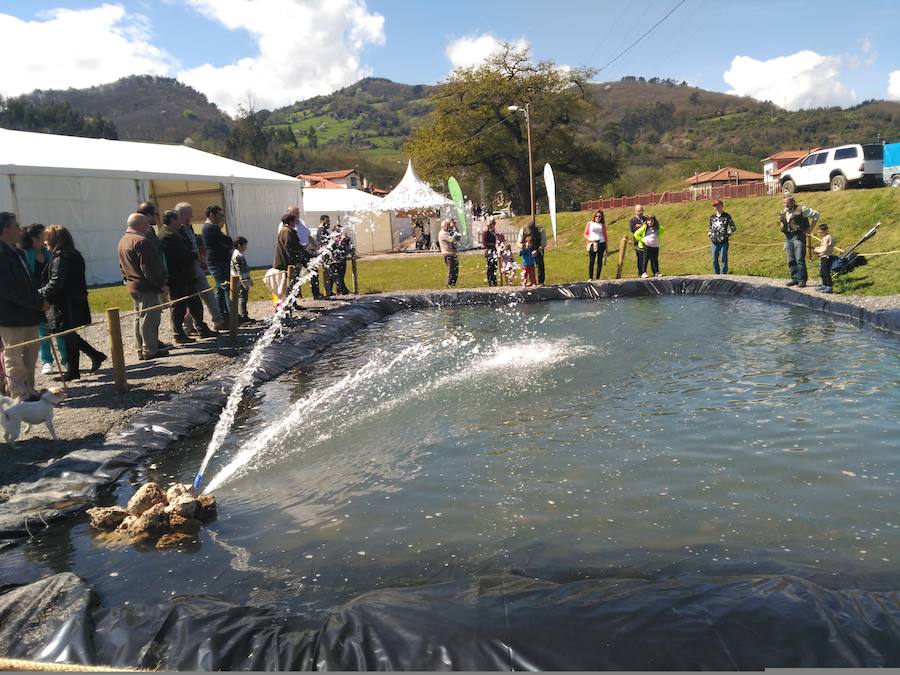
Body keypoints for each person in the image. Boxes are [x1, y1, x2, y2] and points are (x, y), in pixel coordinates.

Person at [38, 225, 107, 381]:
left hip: (65, 304)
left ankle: (79, 367)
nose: (45, 243)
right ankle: (89, 359)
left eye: (47, 239)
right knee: (69, 334)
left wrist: (39, 293)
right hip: (75, 301)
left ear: (54, 240)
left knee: (67, 334)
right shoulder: (74, 255)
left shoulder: (61, 258)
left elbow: (56, 283)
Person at [0, 212, 44, 401]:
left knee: (31, 354)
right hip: (10, 316)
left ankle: (30, 390)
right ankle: (19, 394)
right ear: (6, 229)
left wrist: (39, 301)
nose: (20, 230)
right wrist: (36, 303)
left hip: (28, 314)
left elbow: (28, 282)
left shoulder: (17, 252)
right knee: (13, 357)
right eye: (16, 226)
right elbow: (8, 289)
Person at [159, 210, 216, 343]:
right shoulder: (165, 236)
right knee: (179, 307)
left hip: (187, 275)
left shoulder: (176, 232)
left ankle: (201, 327)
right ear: (173, 220)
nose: (181, 222)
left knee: (195, 303)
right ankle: (178, 333)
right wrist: (191, 256)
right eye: (178, 219)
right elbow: (176, 256)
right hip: (177, 277)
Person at [19, 223, 68, 374]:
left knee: (58, 328)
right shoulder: (24, 254)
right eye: (43, 234)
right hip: (35, 297)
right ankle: (47, 361)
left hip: (52, 295)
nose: (47, 237)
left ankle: (66, 360)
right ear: (34, 238)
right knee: (42, 330)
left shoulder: (50, 253)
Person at [118, 212, 168, 360]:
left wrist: (126, 280)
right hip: (146, 287)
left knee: (139, 318)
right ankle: (149, 350)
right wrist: (161, 285)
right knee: (150, 318)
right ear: (138, 225)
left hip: (132, 285)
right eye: (146, 223)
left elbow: (122, 266)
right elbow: (148, 269)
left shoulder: (123, 241)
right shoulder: (141, 241)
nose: (148, 226)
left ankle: (140, 348)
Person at [175, 202, 225, 334]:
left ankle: (216, 321)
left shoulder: (188, 227)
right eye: (189, 213)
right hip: (188, 267)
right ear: (182, 214)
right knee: (193, 297)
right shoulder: (177, 230)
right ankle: (191, 326)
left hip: (195, 265)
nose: (192, 215)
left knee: (204, 295)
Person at [202, 204, 233, 320]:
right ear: (212, 215)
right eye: (220, 215)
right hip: (218, 262)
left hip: (217, 261)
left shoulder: (212, 228)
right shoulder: (211, 228)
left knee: (220, 289)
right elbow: (228, 241)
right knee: (226, 287)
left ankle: (223, 313)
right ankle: (230, 314)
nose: (221, 218)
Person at [779, 195, 819, 288]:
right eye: (784, 202)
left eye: (788, 202)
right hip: (788, 237)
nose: (786, 204)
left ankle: (802, 280)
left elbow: (816, 214)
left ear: (793, 202)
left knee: (799, 259)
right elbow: (782, 222)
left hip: (799, 236)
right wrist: (782, 226)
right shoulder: (783, 211)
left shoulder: (802, 209)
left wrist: (810, 228)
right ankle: (794, 278)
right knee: (790, 259)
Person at [708, 199, 737, 275]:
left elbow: (733, 227)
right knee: (714, 259)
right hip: (714, 242)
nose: (716, 207)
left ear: (722, 206)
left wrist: (729, 233)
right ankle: (716, 274)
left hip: (724, 241)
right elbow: (711, 227)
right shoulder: (712, 217)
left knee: (723, 258)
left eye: (718, 205)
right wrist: (710, 233)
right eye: (715, 206)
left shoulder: (727, 216)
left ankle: (724, 274)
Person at [325, 222, 353, 296]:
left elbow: (348, 246)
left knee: (340, 275)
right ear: (334, 230)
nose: (339, 230)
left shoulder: (343, 237)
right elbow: (332, 247)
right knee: (335, 276)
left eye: (340, 229)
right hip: (334, 259)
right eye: (337, 229)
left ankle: (337, 290)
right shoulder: (332, 237)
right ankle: (342, 290)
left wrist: (346, 239)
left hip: (342, 258)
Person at [231, 236, 254, 322]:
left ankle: (244, 314)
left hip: (243, 279)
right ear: (239, 245)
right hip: (241, 281)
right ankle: (243, 316)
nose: (246, 247)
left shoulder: (238, 254)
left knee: (244, 298)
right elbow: (240, 271)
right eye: (245, 245)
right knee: (243, 298)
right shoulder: (238, 256)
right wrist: (244, 282)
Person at [583, 209, 608, 280]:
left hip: (601, 243)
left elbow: (605, 235)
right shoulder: (590, 223)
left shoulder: (602, 225)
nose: (598, 218)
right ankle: (590, 277)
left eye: (599, 216)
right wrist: (589, 238)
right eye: (596, 216)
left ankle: (598, 277)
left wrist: (606, 246)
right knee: (592, 261)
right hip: (593, 243)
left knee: (599, 261)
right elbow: (585, 233)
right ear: (594, 216)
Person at [518, 221, 544, 285]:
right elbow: (519, 243)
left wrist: (537, 250)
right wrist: (522, 247)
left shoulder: (540, 230)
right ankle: (525, 282)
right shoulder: (523, 230)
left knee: (539, 264)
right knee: (525, 272)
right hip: (526, 260)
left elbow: (543, 244)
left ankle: (539, 281)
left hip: (537, 249)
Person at [813, 223, 836, 294]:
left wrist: (817, 250)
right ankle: (824, 284)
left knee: (825, 272)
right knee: (822, 271)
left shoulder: (826, 238)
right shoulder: (828, 237)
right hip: (825, 256)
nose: (820, 234)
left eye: (821, 232)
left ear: (826, 230)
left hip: (826, 257)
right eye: (819, 233)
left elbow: (825, 249)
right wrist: (819, 248)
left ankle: (829, 286)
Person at [438, 218, 460, 287]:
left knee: (455, 270)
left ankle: (453, 284)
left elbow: (458, 237)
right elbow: (452, 239)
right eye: (447, 225)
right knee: (452, 270)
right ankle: (449, 284)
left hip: (452, 253)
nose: (449, 226)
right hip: (448, 254)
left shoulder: (447, 232)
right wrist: (454, 228)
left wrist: (455, 227)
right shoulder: (443, 233)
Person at [629, 204, 648, 277]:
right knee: (640, 257)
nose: (641, 212)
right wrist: (642, 227)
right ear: (635, 211)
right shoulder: (633, 221)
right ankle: (641, 272)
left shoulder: (646, 219)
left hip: (647, 242)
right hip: (638, 242)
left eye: (642, 210)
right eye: (639, 211)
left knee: (646, 257)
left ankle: (645, 272)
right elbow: (633, 230)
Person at [480, 218, 498, 286]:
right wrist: (494, 245)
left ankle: (494, 281)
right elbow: (485, 243)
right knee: (490, 267)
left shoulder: (494, 232)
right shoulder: (486, 232)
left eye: (494, 224)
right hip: (489, 251)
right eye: (492, 224)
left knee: (495, 267)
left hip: (495, 251)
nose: (493, 225)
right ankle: (490, 282)